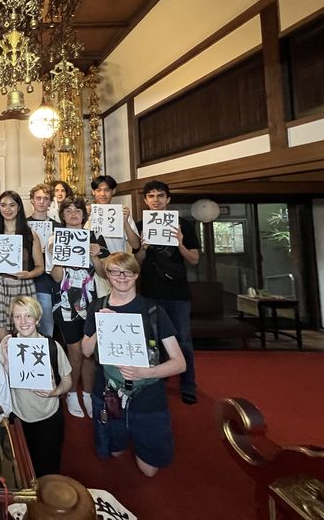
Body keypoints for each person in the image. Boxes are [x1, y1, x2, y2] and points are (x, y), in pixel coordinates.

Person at [81, 253, 186, 477]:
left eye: (127, 272)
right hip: (109, 391)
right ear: (106, 276)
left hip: (147, 393)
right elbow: (86, 351)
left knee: (149, 470)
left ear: (136, 275)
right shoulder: (97, 307)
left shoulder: (152, 311)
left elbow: (179, 363)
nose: (121, 277)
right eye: (114, 272)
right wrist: (102, 327)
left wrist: (147, 371)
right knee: (115, 451)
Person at [134, 180, 200, 405]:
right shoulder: (140, 225)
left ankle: (188, 384)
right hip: (150, 291)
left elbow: (194, 259)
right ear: (145, 200)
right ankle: (158, 379)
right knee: (153, 340)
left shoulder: (183, 224)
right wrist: (143, 248)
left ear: (168, 199)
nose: (156, 200)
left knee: (183, 341)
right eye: (151, 196)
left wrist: (180, 244)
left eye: (160, 195)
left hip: (178, 293)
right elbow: (136, 263)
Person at [0, 296, 71, 477]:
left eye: (28, 316)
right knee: (19, 467)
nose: (23, 322)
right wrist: (6, 363)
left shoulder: (52, 346)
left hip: (49, 416)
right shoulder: (7, 344)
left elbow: (67, 379)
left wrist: (57, 391)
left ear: (37, 319)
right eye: (17, 317)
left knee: (47, 469)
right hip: (18, 416)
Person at [49, 196, 109, 418]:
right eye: (68, 211)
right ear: (62, 215)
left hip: (91, 302)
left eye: (77, 210)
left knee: (89, 352)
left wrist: (95, 256)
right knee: (74, 351)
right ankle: (72, 392)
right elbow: (56, 277)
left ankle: (89, 395)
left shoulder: (95, 237)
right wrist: (58, 257)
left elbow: (105, 273)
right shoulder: (56, 238)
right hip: (65, 304)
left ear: (84, 215)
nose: (73, 214)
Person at [0, 191, 44, 343]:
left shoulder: (30, 234)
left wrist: (27, 275)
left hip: (23, 286)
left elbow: (40, 267)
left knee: (25, 338)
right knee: (3, 342)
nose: (7, 209)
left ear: (19, 208)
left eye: (12, 205)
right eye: (3, 205)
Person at [88, 175, 141, 297]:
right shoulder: (86, 214)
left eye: (107, 190)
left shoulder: (122, 213)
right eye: (98, 190)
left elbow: (136, 244)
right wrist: (83, 216)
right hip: (91, 270)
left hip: (118, 269)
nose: (103, 194)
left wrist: (125, 222)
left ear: (113, 191)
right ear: (93, 192)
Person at [27, 183, 57, 337]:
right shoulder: (23, 225)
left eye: (45, 199)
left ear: (50, 202)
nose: (41, 201)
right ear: (32, 200)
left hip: (53, 279)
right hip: (30, 278)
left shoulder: (59, 227)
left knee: (49, 322)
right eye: (38, 198)